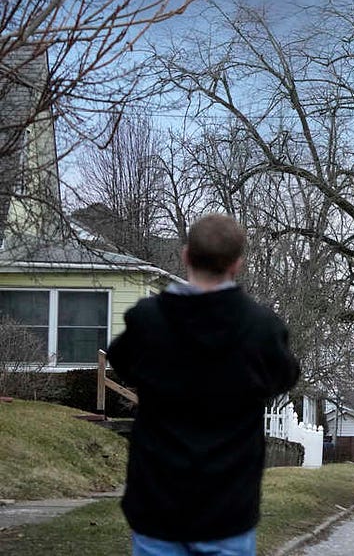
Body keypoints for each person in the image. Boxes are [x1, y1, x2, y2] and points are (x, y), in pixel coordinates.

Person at [108, 213, 300, 556]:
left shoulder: (148, 321)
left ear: (185, 255)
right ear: (237, 264)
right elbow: (285, 376)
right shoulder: (261, 329)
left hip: (157, 506)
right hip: (228, 509)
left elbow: (121, 362)